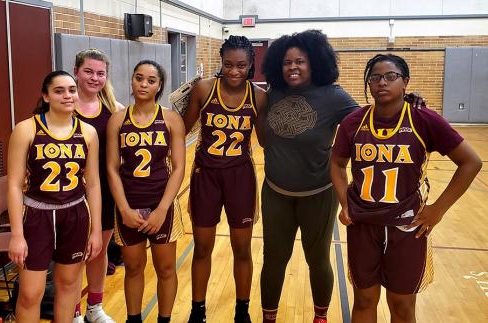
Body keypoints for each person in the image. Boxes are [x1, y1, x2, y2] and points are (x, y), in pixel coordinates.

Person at [330, 53, 482, 323]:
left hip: (408, 226)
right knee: (364, 300)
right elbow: (337, 163)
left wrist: (438, 209)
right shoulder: (354, 122)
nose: (382, 83)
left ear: (405, 82)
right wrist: (345, 203)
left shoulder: (423, 120)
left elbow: (471, 162)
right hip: (363, 224)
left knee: (401, 305)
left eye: (391, 76)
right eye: (375, 78)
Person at [257, 29, 359, 323]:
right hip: (276, 193)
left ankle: (320, 317)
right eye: (287, 62)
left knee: (318, 261)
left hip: (319, 195)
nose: (293, 67)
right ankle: (269, 317)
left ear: (314, 62)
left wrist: (409, 102)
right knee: (274, 260)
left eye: (300, 61)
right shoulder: (272, 94)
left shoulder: (334, 96)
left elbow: (369, 121)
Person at [183, 35, 267, 323]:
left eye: (241, 65)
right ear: (221, 63)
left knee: (241, 248)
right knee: (202, 248)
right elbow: (182, 129)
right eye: (228, 64)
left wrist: (277, 106)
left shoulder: (258, 97)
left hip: (240, 177)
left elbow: (266, 141)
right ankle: (198, 311)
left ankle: (241, 312)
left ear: (251, 65)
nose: (234, 71)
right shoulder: (204, 89)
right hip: (205, 176)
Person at [7, 70, 102, 322]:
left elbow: (92, 184)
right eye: (59, 91)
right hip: (37, 216)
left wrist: (96, 230)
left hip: (75, 215)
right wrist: (17, 235)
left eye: (72, 90)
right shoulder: (26, 129)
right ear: (46, 96)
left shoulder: (88, 132)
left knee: (69, 287)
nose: (68, 95)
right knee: (29, 293)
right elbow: (14, 185)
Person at [106, 60, 185, 323]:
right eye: (139, 78)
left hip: (161, 206)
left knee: (165, 269)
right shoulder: (118, 119)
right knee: (133, 268)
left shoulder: (171, 119)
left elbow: (179, 168)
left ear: (159, 85)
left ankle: (164, 319)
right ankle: (134, 319)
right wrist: (124, 209)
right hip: (129, 207)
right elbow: (112, 169)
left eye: (151, 80)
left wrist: (162, 209)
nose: (143, 84)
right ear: (131, 80)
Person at [73, 48, 124, 323]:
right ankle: (74, 311)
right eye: (88, 71)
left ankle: (94, 308)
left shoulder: (114, 110)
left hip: (102, 192)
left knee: (98, 252)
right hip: (68, 194)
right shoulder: (62, 105)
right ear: (76, 72)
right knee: (73, 257)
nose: (94, 78)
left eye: (100, 73)